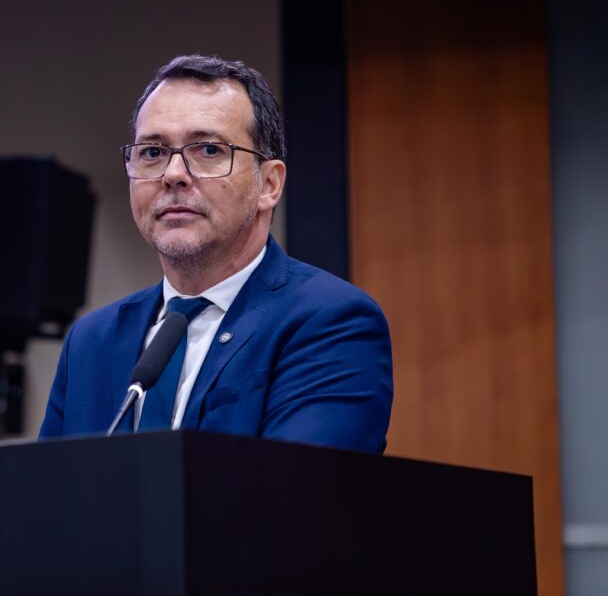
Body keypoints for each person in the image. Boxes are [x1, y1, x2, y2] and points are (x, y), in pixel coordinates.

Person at [39, 55, 392, 454]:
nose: (173, 174)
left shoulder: (331, 323)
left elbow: (298, 488)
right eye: (152, 152)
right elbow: (47, 489)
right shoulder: (91, 341)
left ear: (269, 184)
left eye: (208, 149)